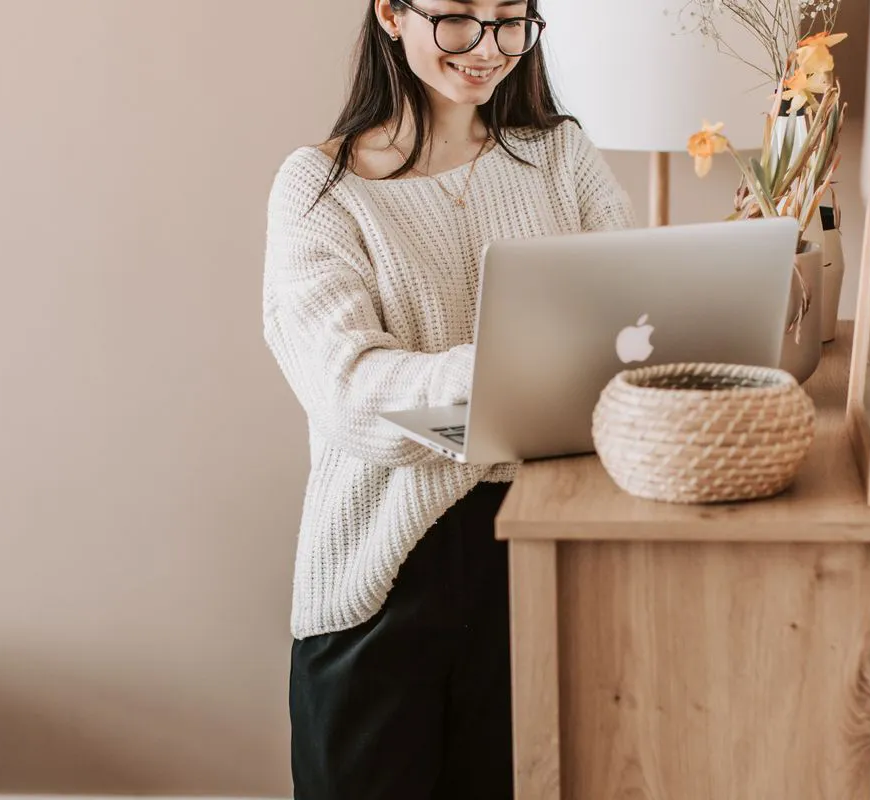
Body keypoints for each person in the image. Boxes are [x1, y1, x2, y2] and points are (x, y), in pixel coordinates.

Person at [262, 0, 635, 797]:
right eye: (460, 18)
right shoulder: (320, 190)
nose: (489, 48)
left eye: (511, 20)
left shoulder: (561, 156)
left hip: (542, 554)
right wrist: (520, 365)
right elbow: (351, 396)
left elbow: (629, 321)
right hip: (381, 581)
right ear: (391, 13)